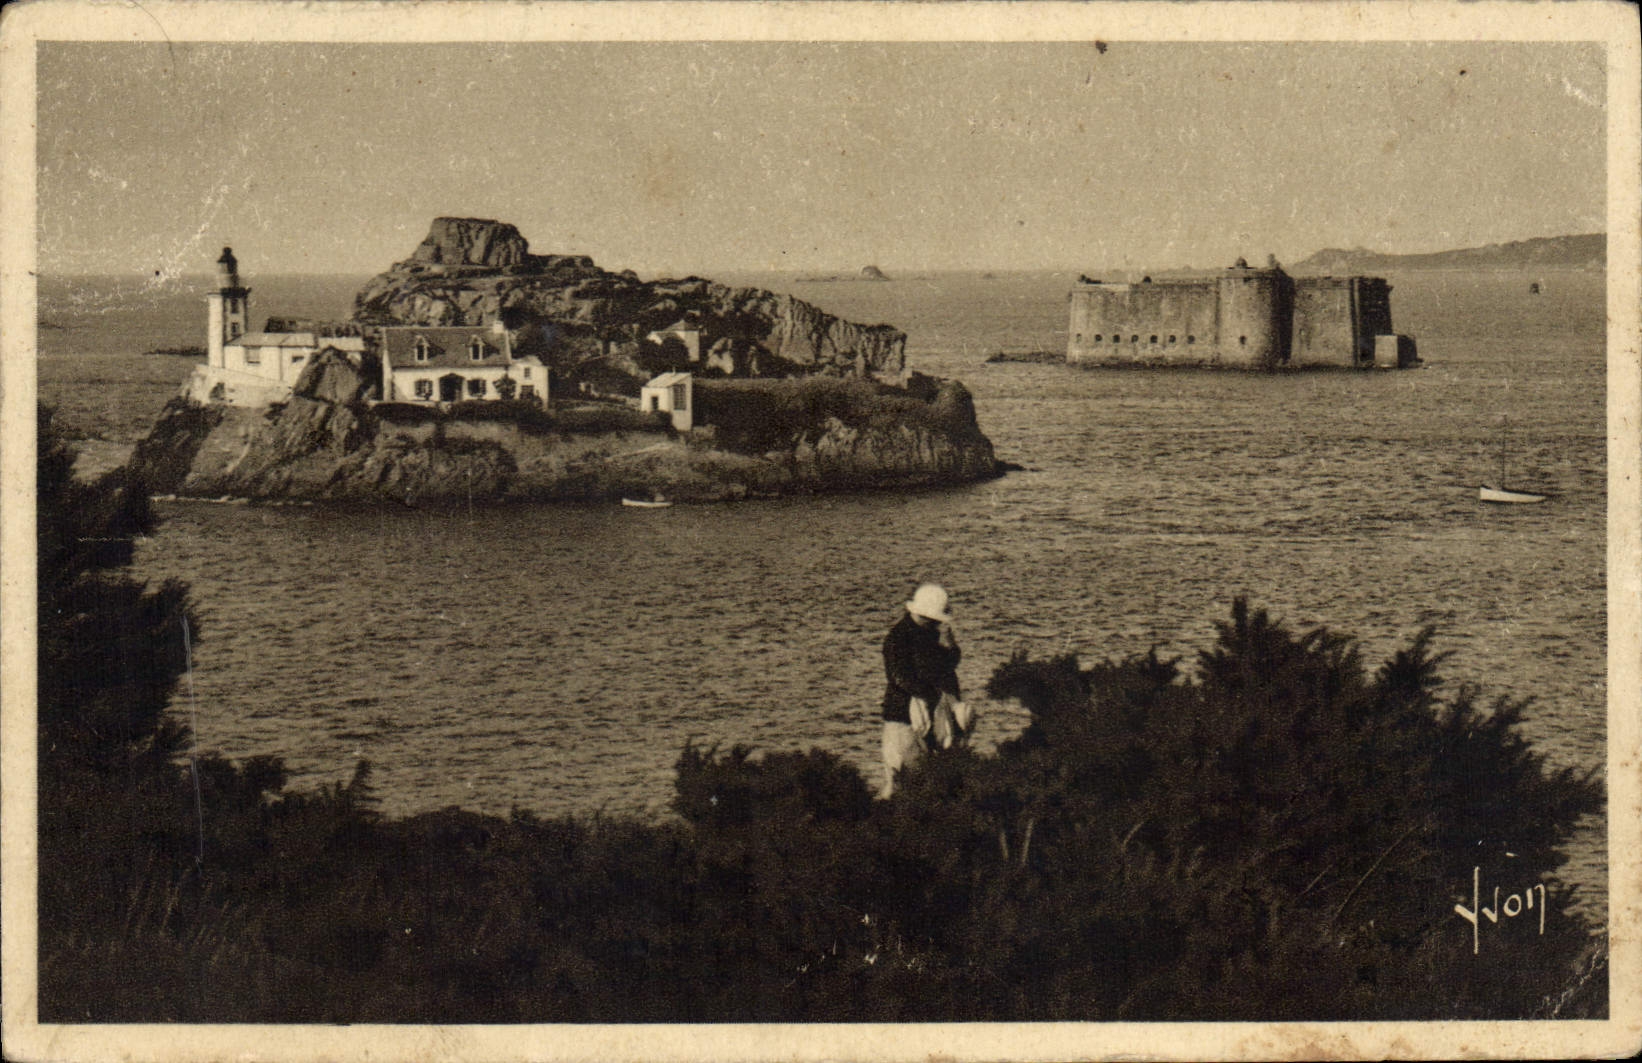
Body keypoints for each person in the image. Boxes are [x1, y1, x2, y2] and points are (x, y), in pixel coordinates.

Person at [879, 583, 964, 798]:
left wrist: (950, 645)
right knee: (902, 780)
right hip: (903, 718)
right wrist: (932, 695)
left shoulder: (928, 633)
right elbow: (899, 677)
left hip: (924, 716)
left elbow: (948, 663)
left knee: (920, 779)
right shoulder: (898, 638)